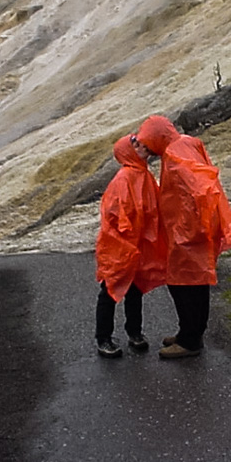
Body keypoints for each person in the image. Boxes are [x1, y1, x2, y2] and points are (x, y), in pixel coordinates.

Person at [134, 115, 231, 359]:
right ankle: (189, 333)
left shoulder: (174, 156)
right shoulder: (185, 142)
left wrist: (190, 227)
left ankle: (190, 340)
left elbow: (197, 190)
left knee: (184, 284)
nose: (147, 148)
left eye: (147, 142)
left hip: (188, 230)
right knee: (194, 281)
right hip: (193, 226)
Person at [94, 134, 166, 358]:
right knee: (110, 290)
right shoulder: (123, 178)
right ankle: (103, 337)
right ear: (127, 151)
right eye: (135, 144)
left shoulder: (143, 174)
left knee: (135, 289)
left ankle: (134, 332)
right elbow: (114, 214)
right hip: (118, 244)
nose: (141, 146)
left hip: (137, 243)